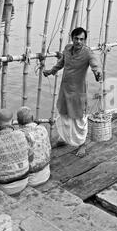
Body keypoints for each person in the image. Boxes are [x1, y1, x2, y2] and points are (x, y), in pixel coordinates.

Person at [43, 27, 102, 156]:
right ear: (72, 38)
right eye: (76, 38)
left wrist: (98, 73)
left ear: (85, 40)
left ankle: (82, 144)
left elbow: (94, 65)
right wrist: (51, 71)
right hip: (65, 88)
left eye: (82, 39)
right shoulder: (67, 49)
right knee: (64, 114)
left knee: (80, 118)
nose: (79, 42)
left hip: (78, 90)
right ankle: (63, 139)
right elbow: (61, 62)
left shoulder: (88, 53)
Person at [17, 106, 51, 187]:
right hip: (46, 174)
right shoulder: (42, 129)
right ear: (32, 118)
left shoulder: (19, 135)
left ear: (18, 121)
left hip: (30, 181)